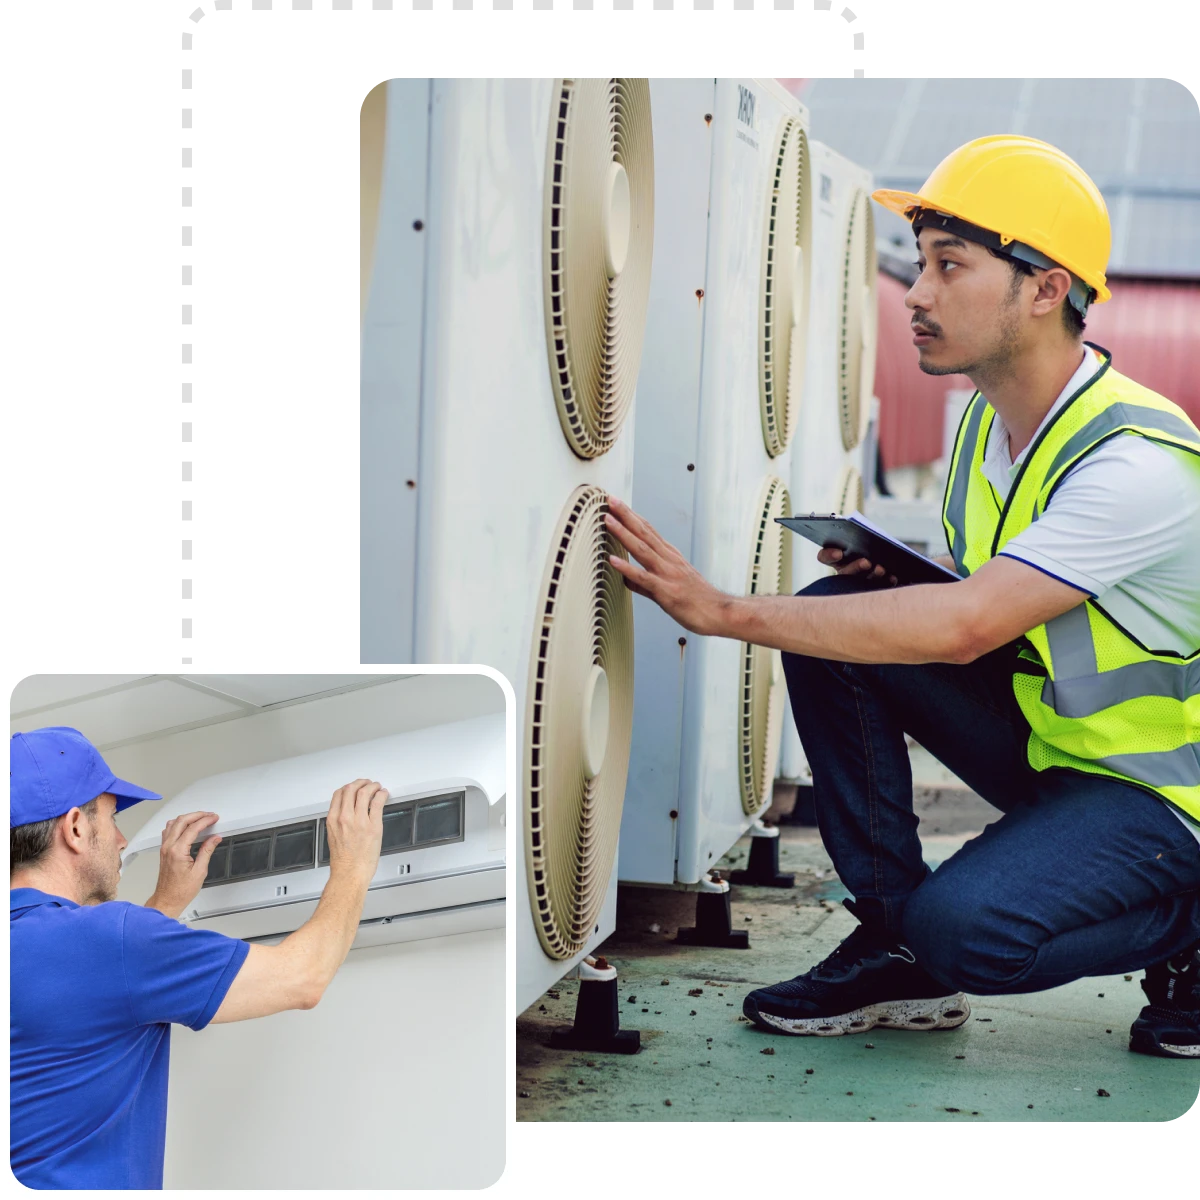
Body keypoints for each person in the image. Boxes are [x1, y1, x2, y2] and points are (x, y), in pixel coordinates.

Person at [602, 135, 1199, 1060]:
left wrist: (720, 610)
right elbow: (1010, 612)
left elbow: (968, 629)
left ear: (1045, 289)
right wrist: (899, 588)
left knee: (967, 932)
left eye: (947, 266)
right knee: (830, 626)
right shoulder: (986, 427)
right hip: (1060, 747)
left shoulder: (1137, 461)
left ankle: (1189, 925)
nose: (915, 294)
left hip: (1165, 795)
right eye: (918, 265)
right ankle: (891, 937)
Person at [10, 725, 389, 1188]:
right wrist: (354, 864)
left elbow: (88, 991)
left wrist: (164, 905)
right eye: (111, 819)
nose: (122, 840)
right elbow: (302, 978)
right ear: (74, 828)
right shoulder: (113, 941)